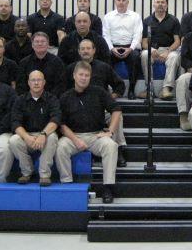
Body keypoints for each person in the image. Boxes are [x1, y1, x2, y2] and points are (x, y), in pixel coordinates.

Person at [56, 61, 121, 203]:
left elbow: (116, 110)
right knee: (60, 147)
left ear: (90, 77)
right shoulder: (65, 97)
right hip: (73, 136)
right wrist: (75, 140)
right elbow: (61, 125)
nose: (83, 78)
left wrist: (110, 132)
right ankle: (67, 184)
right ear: (74, 76)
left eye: (87, 75)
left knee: (111, 146)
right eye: (81, 75)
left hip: (95, 135)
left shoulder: (99, 92)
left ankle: (108, 187)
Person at [66, 39, 128, 167]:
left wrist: (109, 98)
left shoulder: (103, 67)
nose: (85, 51)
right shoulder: (71, 69)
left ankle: (118, 150)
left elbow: (120, 85)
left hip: (101, 109)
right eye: (82, 49)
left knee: (116, 116)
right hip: (78, 109)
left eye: (88, 48)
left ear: (94, 50)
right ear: (78, 51)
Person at [10, 70, 61, 186]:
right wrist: (26, 137)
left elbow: (56, 119)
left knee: (52, 137)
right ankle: (27, 172)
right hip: (27, 135)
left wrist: (43, 134)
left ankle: (44, 175)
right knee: (13, 140)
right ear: (28, 83)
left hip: (45, 135)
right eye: (33, 80)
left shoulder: (52, 99)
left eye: (39, 80)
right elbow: (15, 123)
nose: (36, 83)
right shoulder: (20, 100)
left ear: (44, 82)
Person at [139, 0, 181, 100]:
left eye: (163, 2)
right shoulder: (147, 21)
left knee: (175, 57)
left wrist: (168, 51)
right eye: (158, 2)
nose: (160, 4)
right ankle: (149, 89)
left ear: (166, 5)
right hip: (152, 50)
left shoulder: (174, 20)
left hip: (168, 50)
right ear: (154, 5)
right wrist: (151, 50)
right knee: (144, 54)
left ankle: (166, 89)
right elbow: (143, 42)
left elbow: (177, 41)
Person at [102, 0, 142, 99]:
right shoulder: (108, 16)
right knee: (105, 59)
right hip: (113, 47)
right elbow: (106, 35)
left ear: (128, 2)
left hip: (130, 47)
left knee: (135, 57)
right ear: (115, 2)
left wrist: (130, 49)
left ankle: (131, 90)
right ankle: (112, 90)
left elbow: (137, 35)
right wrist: (112, 48)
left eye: (123, 0)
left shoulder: (135, 16)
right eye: (119, 0)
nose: (121, 2)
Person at [16, 32, 66, 97]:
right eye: (37, 41)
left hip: (51, 101)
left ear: (48, 44)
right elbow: (20, 86)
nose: (40, 44)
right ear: (32, 45)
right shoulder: (24, 63)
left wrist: (49, 99)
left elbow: (60, 85)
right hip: (29, 101)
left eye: (43, 41)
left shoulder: (57, 62)